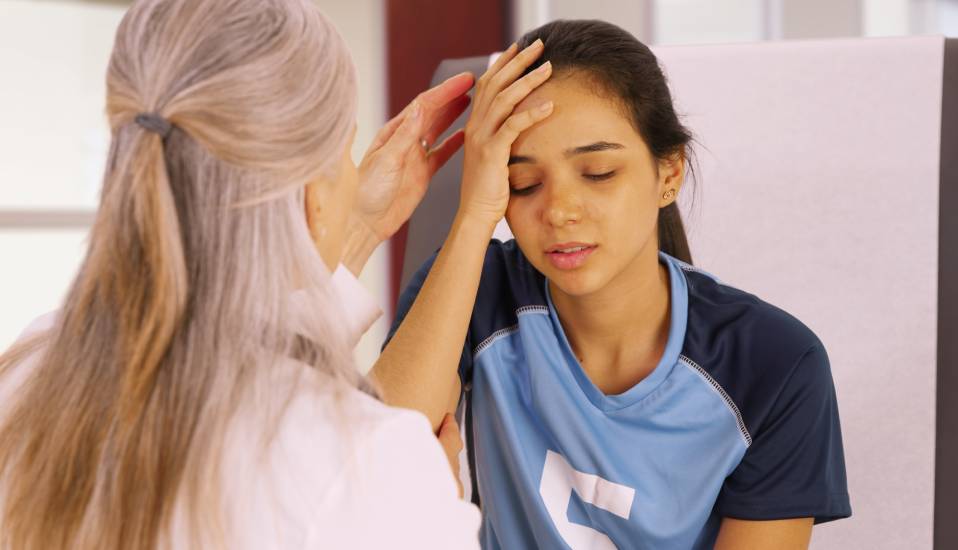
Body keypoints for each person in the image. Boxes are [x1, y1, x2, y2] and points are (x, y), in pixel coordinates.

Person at [0, 0, 482, 548]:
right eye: (346, 152)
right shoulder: (366, 463)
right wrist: (432, 503)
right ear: (314, 192)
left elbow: (233, 344)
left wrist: (358, 228)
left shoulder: (28, 371)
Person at [376, 20, 852, 550]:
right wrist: (474, 215)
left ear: (668, 173)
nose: (559, 211)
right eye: (523, 183)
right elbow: (371, 469)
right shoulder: (474, 290)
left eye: (598, 172)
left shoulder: (775, 362)